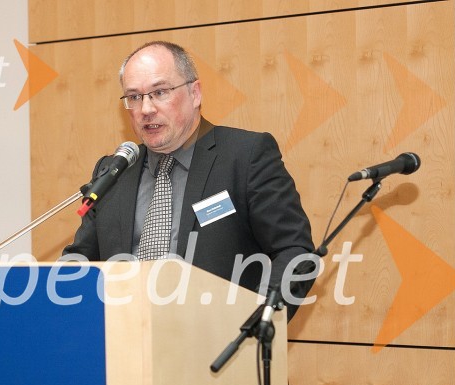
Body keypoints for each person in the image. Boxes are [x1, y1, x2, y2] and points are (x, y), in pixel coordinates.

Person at [63, 41, 315, 316]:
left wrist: (255, 325)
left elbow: (294, 251)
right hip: (124, 343)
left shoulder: (245, 157)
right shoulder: (113, 172)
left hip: (219, 345)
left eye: (159, 92)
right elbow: (80, 264)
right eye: (134, 97)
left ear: (195, 93)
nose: (146, 109)